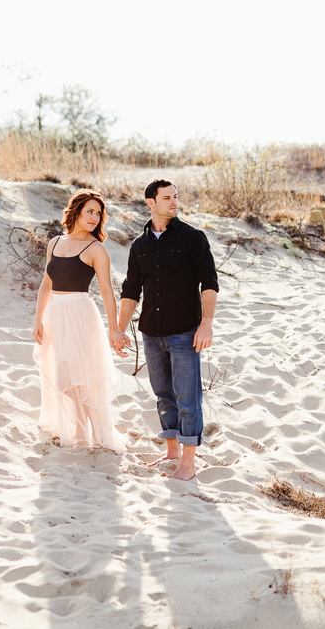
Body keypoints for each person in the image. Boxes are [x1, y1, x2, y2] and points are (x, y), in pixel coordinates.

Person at [116, 179, 218, 481]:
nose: (174, 202)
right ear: (151, 203)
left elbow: (209, 283)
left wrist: (207, 323)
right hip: (151, 332)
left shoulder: (193, 238)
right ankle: (172, 451)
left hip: (186, 332)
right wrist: (120, 329)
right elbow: (131, 291)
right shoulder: (140, 245)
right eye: (167, 198)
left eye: (176, 197)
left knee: (188, 397)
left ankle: (188, 462)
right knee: (163, 395)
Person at [33, 189, 129, 453]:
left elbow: (108, 291)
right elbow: (46, 284)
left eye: (98, 214)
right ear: (75, 212)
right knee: (63, 375)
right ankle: (80, 429)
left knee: (77, 376)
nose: (95, 218)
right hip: (56, 313)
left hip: (80, 314)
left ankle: (87, 431)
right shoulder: (55, 243)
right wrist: (38, 319)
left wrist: (114, 327)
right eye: (90, 211)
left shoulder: (96, 249)